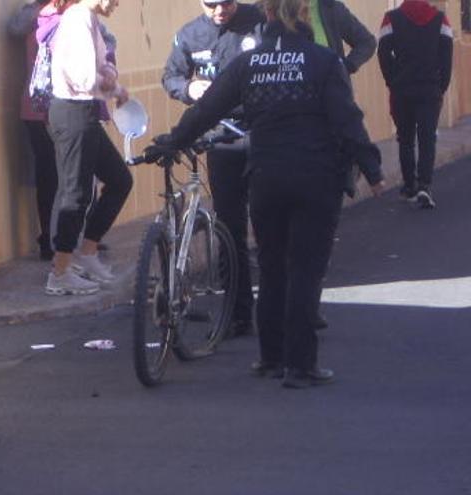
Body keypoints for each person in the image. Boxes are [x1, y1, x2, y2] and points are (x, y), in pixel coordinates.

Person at [152, 0, 384, 388]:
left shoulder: (249, 64)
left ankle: (270, 357)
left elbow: (206, 110)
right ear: (304, 16)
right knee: (305, 271)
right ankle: (300, 366)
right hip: (315, 177)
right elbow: (348, 121)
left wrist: (172, 142)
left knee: (273, 269)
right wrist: (372, 170)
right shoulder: (324, 62)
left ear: (270, 16)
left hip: (266, 176)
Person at [162, 0, 264, 337]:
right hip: (220, 137)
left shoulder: (259, 22)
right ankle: (238, 314)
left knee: (272, 225)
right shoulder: (190, 34)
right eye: (212, 3)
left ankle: (291, 305)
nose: (220, 10)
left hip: (262, 132)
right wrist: (189, 89)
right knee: (230, 228)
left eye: (228, 2)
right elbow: (171, 76)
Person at [8, 0, 118, 261]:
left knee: (60, 179)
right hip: (63, 107)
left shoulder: (38, 16)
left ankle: (58, 242)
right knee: (67, 180)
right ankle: (62, 248)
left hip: (40, 107)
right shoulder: (73, 18)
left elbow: (13, 28)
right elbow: (105, 48)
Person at [44, 0, 132, 296]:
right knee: (76, 194)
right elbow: (83, 78)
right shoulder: (78, 18)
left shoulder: (89, 19)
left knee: (120, 179)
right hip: (72, 113)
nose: (118, 3)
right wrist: (115, 89)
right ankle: (60, 271)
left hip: (85, 112)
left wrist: (109, 74)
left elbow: (101, 63)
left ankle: (88, 253)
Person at [307, 0, 376, 331]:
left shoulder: (331, 8)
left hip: (330, 103)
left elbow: (366, 41)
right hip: (290, 107)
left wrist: (346, 66)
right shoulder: (271, 8)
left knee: (321, 216)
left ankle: (310, 300)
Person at [377, 0, 453, 209]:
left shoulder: (391, 18)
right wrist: (441, 86)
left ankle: (409, 185)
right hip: (430, 90)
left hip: (403, 89)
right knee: (427, 138)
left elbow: (382, 53)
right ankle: (424, 186)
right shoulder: (440, 19)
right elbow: (447, 57)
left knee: (406, 138)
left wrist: (392, 80)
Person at [8, 0, 60, 261]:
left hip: (51, 109)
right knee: (49, 175)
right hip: (39, 110)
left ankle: (58, 237)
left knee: (58, 175)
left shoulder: (69, 15)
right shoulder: (36, 16)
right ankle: (49, 239)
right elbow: (13, 28)